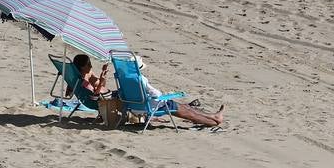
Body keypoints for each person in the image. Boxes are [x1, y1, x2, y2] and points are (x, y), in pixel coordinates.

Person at [73, 55, 226, 128]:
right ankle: (213, 121)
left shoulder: (123, 80)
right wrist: (166, 96)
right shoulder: (139, 80)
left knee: (181, 106)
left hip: (132, 106)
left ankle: (213, 116)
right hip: (149, 107)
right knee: (186, 111)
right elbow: (158, 95)